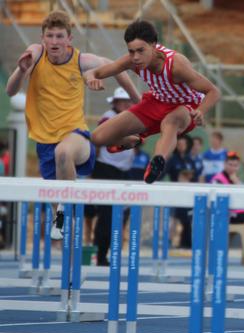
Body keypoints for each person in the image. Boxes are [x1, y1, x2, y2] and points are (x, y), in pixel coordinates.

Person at [5, 11, 140, 240]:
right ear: (43, 38)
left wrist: (139, 102)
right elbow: (10, 91)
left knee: (63, 152)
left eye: (60, 36)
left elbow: (115, 67)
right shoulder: (36, 55)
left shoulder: (81, 60)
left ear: (69, 39)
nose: (55, 42)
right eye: (50, 36)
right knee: (61, 225)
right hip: (45, 141)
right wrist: (20, 69)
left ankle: (64, 212)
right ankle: (64, 219)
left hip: (76, 137)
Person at [83, 19, 221, 184]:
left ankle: (157, 161)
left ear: (154, 45)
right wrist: (90, 78)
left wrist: (201, 111)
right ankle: (132, 141)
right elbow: (94, 72)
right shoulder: (132, 60)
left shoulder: (176, 65)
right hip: (156, 102)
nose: (136, 57)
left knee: (171, 121)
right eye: (131, 51)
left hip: (185, 106)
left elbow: (213, 91)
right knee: (98, 137)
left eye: (141, 51)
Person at [90, 88, 135, 265]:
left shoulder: (131, 117)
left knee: (122, 213)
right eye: (122, 101)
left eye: (128, 101)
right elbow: (98, 141)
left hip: (123, 171)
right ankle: (100, 255)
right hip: (106, 169)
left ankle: (108, 252)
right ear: (115, 102)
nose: (126, 104)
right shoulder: (108, 117)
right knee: (107, 215)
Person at [211, 152, 244, 224]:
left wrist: (236, 182)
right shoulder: (218, 179)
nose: (232, 168)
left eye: (235, 165)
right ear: (224, 164)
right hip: (226, 214)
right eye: (230, 165)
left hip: (241, 211)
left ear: (238, 167)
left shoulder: (236, 179)